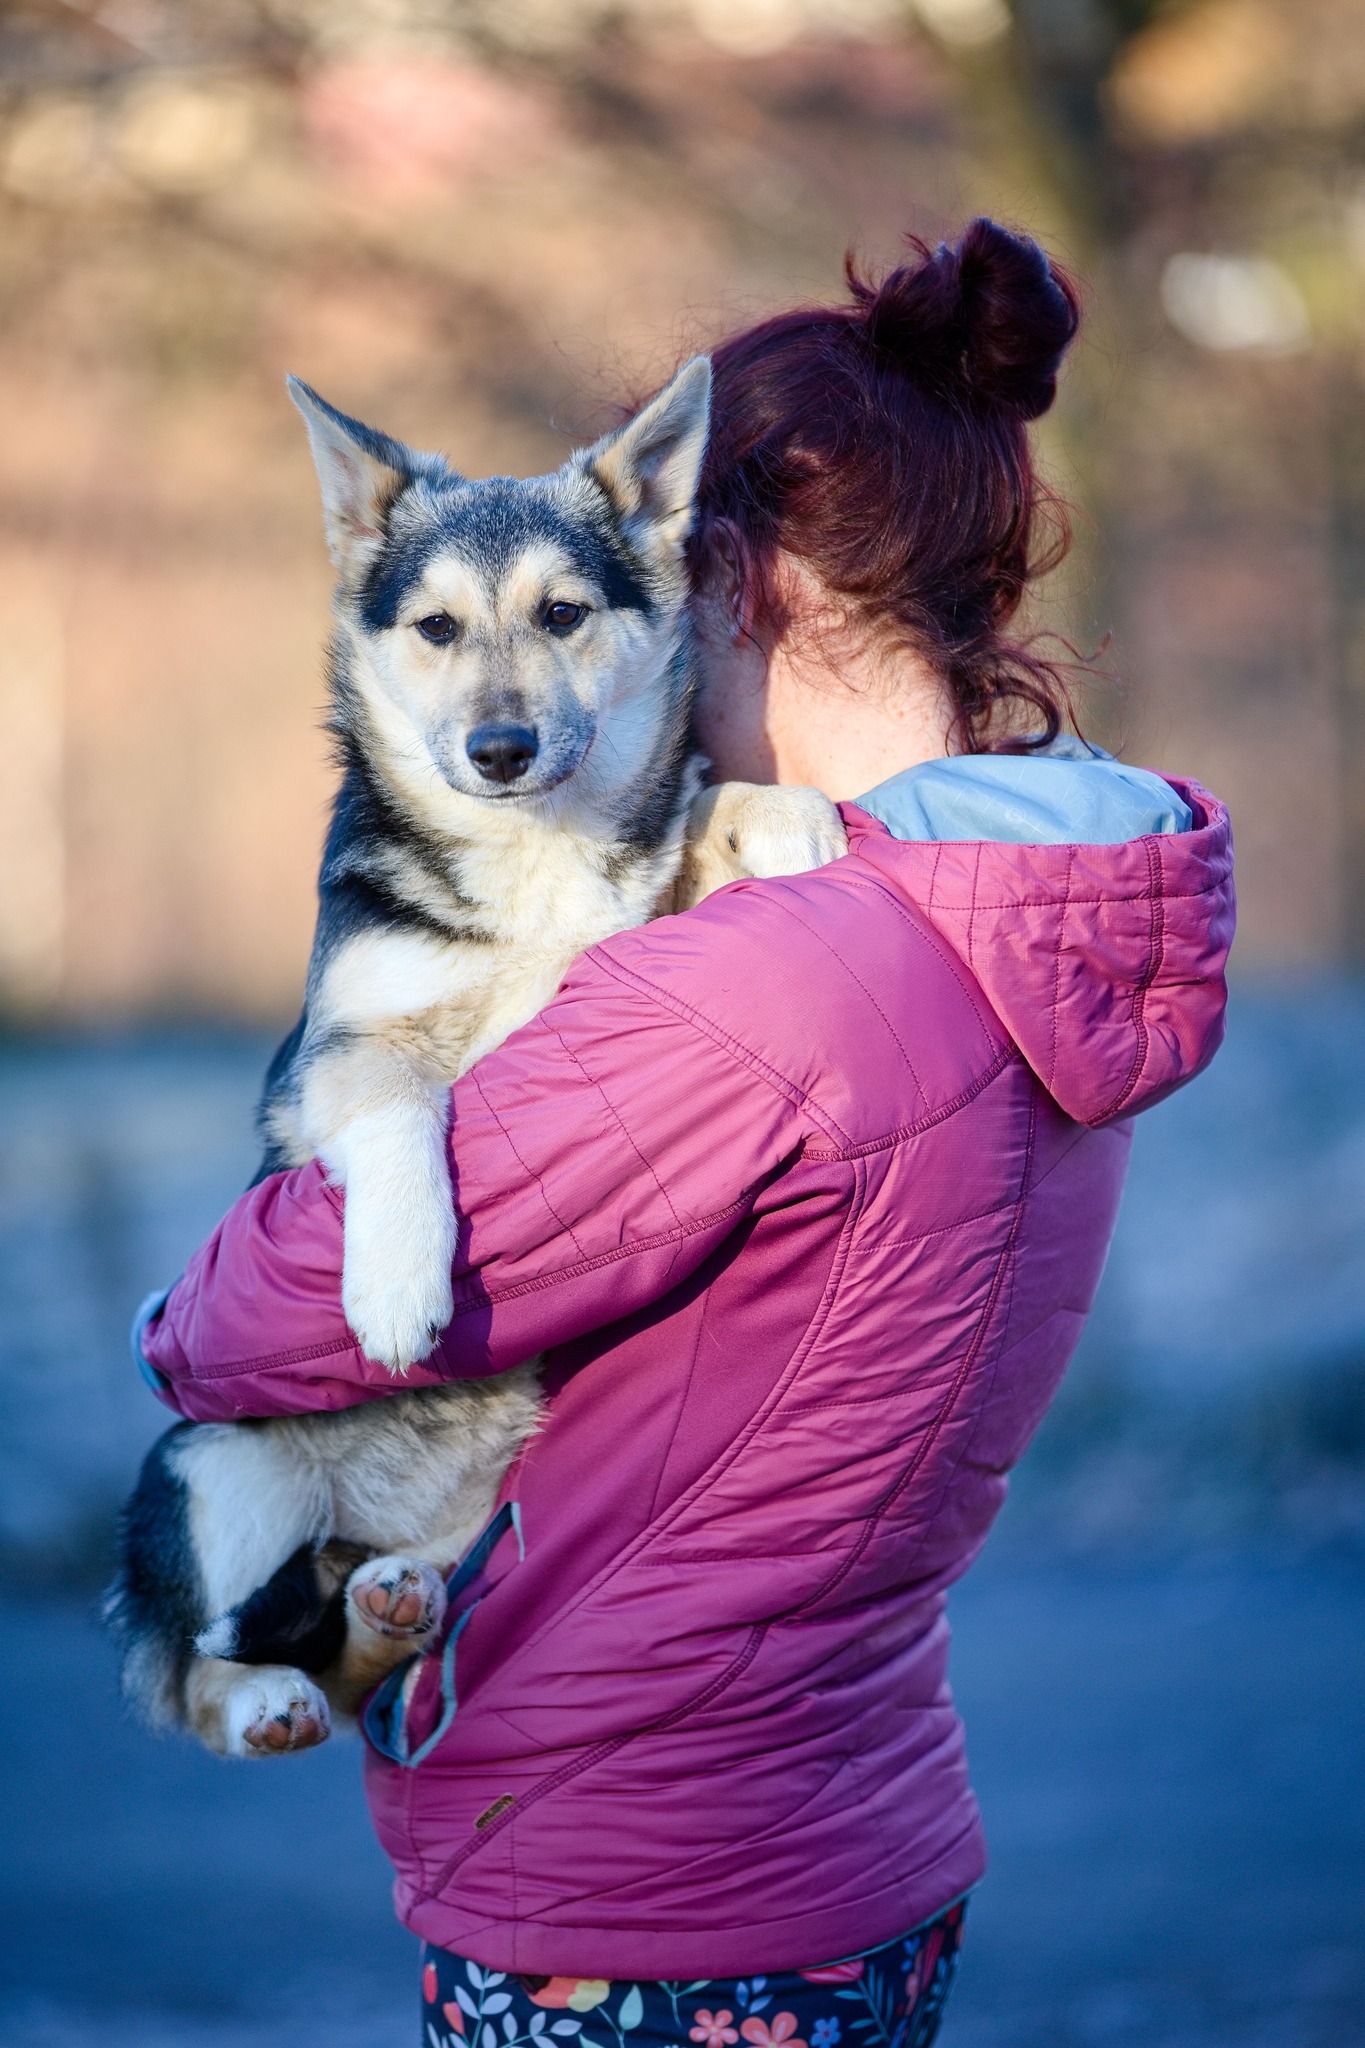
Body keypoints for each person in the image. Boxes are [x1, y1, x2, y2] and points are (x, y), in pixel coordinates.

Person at [136, 217, 1235, 2045]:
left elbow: (258, 1316)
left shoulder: (769, 977)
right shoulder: (1045, 903)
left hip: (643, 1874)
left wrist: (180, 1319)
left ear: (718, 584)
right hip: (853, 1813)